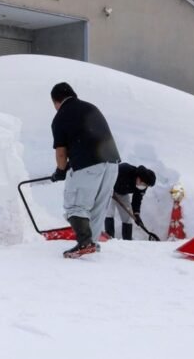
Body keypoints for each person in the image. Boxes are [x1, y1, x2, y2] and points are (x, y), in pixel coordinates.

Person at [49, 82, 121, 258]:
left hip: (87, 164)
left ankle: (85, 242)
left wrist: (60, 171)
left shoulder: (61, 117)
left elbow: (61, 152)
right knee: (98, 206)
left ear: (56, 101)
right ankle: (91, 243)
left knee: (75, 206)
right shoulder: (91, 108)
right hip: (112, 163)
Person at [106, 163, 157, 240]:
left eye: (146, 186)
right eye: (143, 184)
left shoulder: (142, 186)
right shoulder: (124, 169)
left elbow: (137, 199)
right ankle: (109, 237)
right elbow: (108, 176)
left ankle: (127, 240)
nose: (144, 186)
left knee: (127, 217)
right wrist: (109, 188)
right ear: (139, 178)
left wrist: (136, 214)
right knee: (109, 212)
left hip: (123, 194)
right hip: (109, 190)